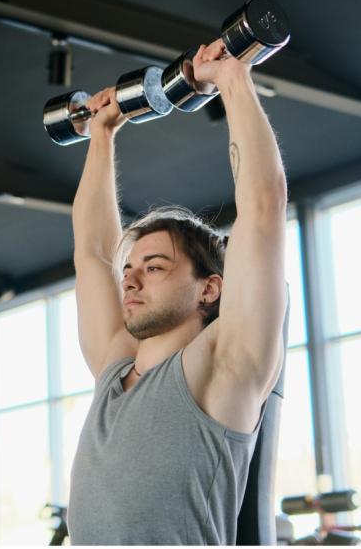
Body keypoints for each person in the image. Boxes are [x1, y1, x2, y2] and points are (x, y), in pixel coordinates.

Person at [67, 39, 288, 545]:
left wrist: (232, 78)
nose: (130, 278)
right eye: (131, 267)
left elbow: (263, 208)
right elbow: (92, 254)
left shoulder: (224, 366)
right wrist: (102, 133)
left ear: (210, 288)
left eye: (155, 267)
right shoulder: (114, 365)